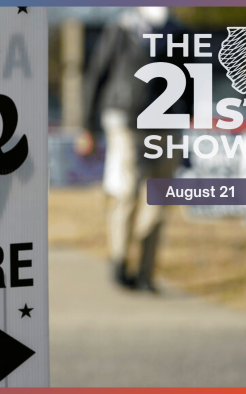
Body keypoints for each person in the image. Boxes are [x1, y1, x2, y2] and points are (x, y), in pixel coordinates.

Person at [82, 7, 191, 292]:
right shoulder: (123, 27)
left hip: (168, 122)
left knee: (158, 201)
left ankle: (146, 272)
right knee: (128, 190)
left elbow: (189, 80)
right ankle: (119, 260)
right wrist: (87, 126)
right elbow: (97, 73)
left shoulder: (178, 30)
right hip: (126, 119)